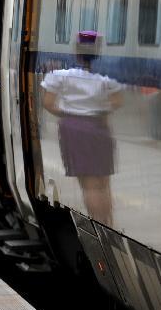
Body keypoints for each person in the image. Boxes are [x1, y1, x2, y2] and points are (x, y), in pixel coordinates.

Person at [40, 31, 122, 226]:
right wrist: (97, 111)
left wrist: (70, 115)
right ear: (98, 52)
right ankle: (108, 222)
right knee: (103, 182)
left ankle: (98, 224)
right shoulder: (107, 76)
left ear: (77, 52)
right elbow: (116, 102)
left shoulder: (60, 76)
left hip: (74, 129)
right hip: (99, 126)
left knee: (89, 185)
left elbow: (49, 103)